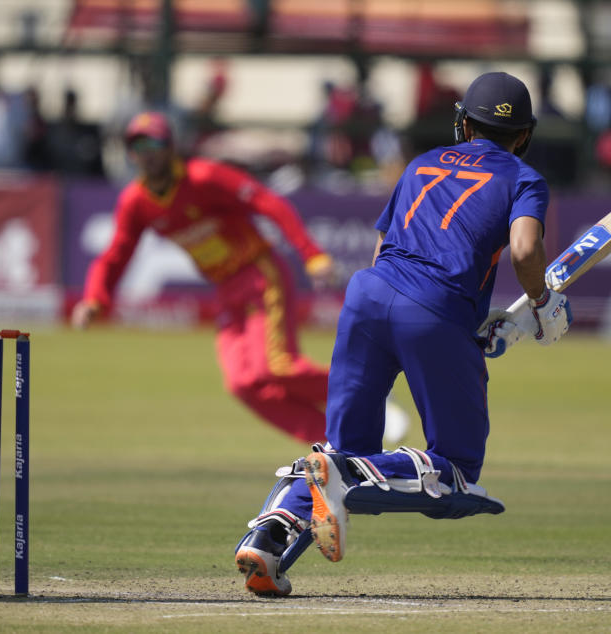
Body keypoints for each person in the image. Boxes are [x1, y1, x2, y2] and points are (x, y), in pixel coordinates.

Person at [233, 72, 572, 597]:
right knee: (456, 468)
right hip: (433, 308)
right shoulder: (525, 178)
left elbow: (386, 251)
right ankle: (340, 477)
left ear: (463, 123)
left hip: (368, 295)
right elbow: (526, 252)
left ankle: (269, 538)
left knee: (344, 448)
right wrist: (544, 305)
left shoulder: (422, 163)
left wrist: (465, 326)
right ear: (523, 135)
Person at [72, 111, 335, 442]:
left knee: (276, 366)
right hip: (226, 287)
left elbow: (268, 202)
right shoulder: (136, 202)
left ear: (170, 147)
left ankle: (362, 391)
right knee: (243, 383)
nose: (147, 152)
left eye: (154, 142)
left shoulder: (205, 177)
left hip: (259, 273)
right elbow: (115, 256)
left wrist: (312, 254)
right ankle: (333, 442)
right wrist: (95, 298)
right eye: (138, 145)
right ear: (129, 153)